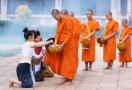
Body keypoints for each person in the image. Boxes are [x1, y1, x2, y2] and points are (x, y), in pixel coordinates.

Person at [44, 9, 76, 85]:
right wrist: (53, 40)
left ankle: (70, 80)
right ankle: (66, 78)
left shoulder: (68, 21)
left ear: (58, 14)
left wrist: (63, 44)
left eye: (55, 17)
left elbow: (69, 35)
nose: (55, 19)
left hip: (68, 44)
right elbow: (58, 33)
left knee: (68, 62)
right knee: (63, 62)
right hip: (60, 44)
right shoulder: (59, 22)